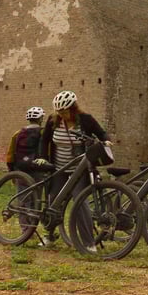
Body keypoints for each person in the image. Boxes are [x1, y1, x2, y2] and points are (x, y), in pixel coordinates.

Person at [40, 90, 110, 250]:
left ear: (73, 108)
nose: (62, 114)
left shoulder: (85, 120)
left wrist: (107, 141)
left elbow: (102, 133)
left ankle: (88, 244)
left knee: (80, 202)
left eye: (65, 111)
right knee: (53, 200)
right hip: (59, 169)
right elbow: (44, 141)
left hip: (79, 171)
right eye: (59, 112)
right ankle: (49, 235)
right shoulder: (53, 120)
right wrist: (43, 157)